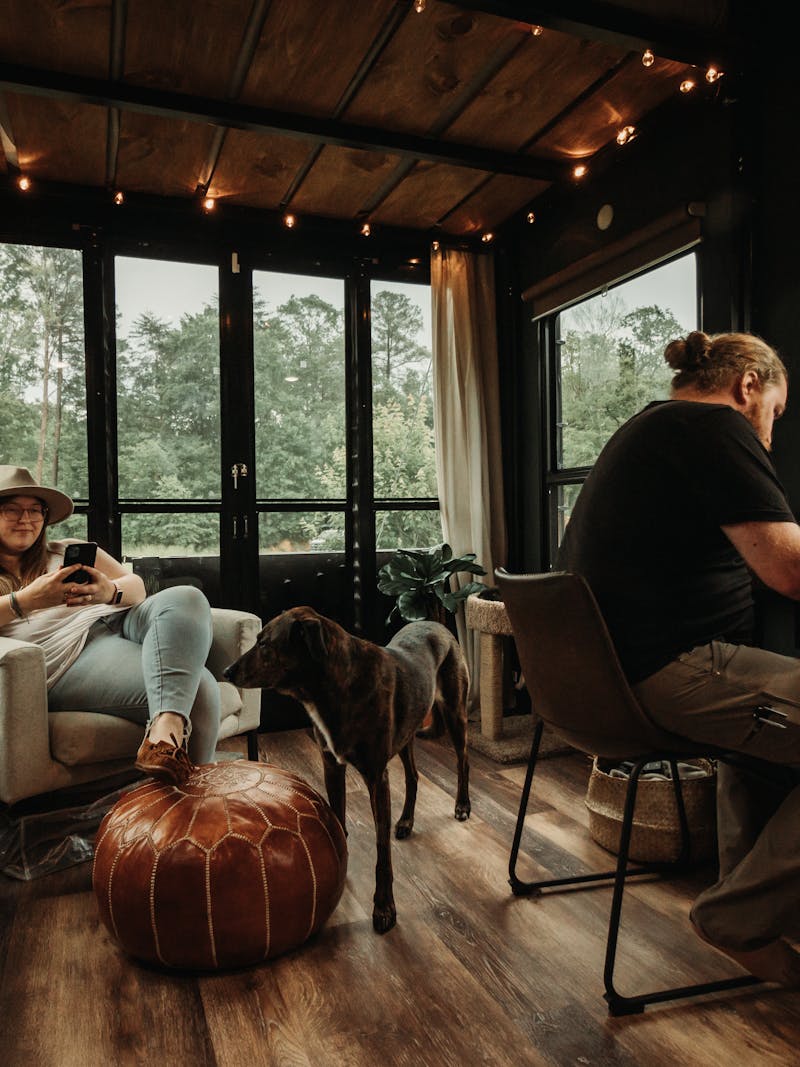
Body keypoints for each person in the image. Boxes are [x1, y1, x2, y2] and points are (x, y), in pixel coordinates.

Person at [558, 329, 800, 986]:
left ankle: (756, 904)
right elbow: (788, 569)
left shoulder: (650, 427)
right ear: (748, 386)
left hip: (604, 683)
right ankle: (737, 916)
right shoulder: (714, 428)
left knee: (766, 726)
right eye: (775, 412)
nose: (771, 433)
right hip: (668, 671)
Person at [0, 465, 220, 785]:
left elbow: (136, 586)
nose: (26, 519)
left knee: (187, 597)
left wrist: (109, 591)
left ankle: (164, 733)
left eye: (35, 510)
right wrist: (27, 599)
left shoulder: (65, 550)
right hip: (72, 654)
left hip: (120, 617)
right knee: (199, 686)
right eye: (12, 509)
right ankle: (195, 794)